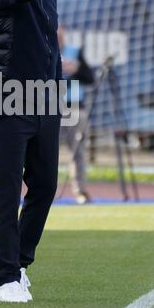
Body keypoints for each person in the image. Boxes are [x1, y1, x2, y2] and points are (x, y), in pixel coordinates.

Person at [0, 0, 95, 303]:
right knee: (8, 185)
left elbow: (49, 43)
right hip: (6, 94)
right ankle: (7, 279)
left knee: (46, 184)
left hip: (45, 96)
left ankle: (20, 263)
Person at [58, 26, 95, 204]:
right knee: (40, 152)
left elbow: (90, 78)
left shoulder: (74, 53)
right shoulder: (42, 51)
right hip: (50, 108)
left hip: (74, 108)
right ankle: (37, 191)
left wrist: (76, 70)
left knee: (77, 152)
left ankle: (80, 190)